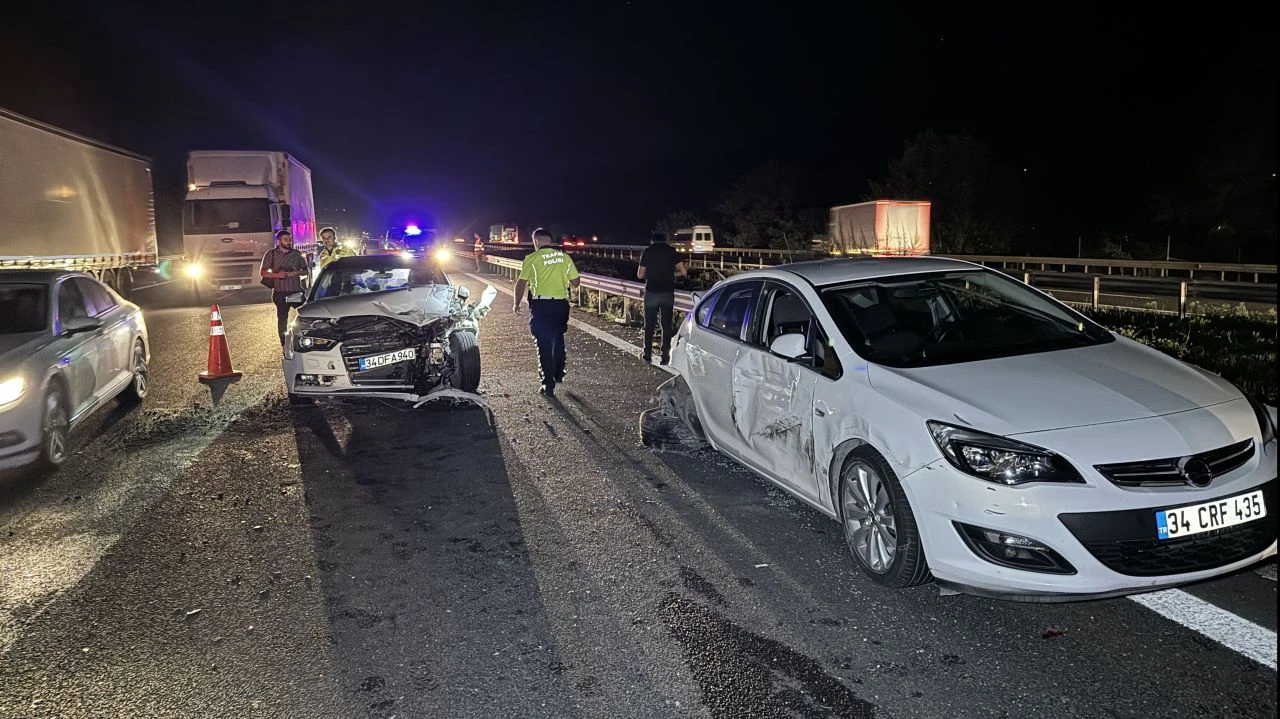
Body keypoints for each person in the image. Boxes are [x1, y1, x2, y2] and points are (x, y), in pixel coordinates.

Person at [513, 227, 580, 396]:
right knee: (558, 337)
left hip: (541, 305)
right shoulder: (564, 257)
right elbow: (576, 282)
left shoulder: (532, 258)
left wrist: (516, 303)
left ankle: (547, 384)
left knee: (543, 343)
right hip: (560, 305)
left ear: (537, 241)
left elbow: (521, 283)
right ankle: (558, 372)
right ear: (550, 240)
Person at [637, 231, 687, 364]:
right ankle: (665, 356)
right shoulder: (671, 251)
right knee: (666, 326)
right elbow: (683, 271)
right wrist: (671, 275)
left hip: (652, 292)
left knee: (649, 325)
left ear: (652, 241)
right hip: (667, 293)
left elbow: (640, 275)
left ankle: (647, 354)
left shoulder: (648, 252)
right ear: (665, 241)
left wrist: (651, 274)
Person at [260, 229, 311, 346]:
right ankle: (284, 343)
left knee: (305, 314)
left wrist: (294, 273)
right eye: (285, 239)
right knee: (282, 318)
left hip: (296, 291)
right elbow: (263, 273)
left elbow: (305, 271)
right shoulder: (271, 254)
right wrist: (278, 275)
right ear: (279, 241)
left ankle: (305, 338)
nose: (288, 242)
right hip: (280, 292)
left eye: (290, 239)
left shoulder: (296, 254)